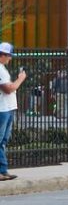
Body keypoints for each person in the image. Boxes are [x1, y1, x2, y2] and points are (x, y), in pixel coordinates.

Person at [0, 41, 26, 181]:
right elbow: (8, 89)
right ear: (2, 55)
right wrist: (20, 79)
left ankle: (3, 171)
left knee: (3, 141)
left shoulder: (2, 68)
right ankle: (2, 170)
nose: (10, 58)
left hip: (7, 108)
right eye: (9, 55)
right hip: (2, 109)